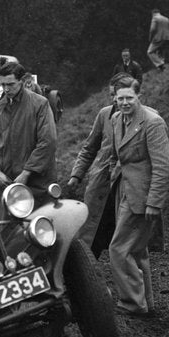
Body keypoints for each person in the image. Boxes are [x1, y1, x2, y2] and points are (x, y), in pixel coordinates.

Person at [103, 76, 169, 317]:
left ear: (139, 96)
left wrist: (154, 202)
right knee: (136, 249)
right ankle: (146, 302)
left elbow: (164, 167)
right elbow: (116, 153)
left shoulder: (152, 123)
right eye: (119, 98)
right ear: (114, 98)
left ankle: (132, 303)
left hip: (142, 195)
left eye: (129, 98)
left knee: (118, 249)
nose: (124, 102)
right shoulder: (115, 119)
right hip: (123, 189)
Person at [0, 62, 57, 217]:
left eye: (11, 84)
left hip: (35, 183)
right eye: (3, 85)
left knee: (38, 230)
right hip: (5, 184)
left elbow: (48, 142)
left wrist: (26, 173)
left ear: (22, 82)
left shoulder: (39, 104)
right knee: (6, 233)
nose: (6, 89)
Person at [66, 73, 128, 250]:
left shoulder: (144, 118)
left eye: (118, 94)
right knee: (89, 234)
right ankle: (86, 273)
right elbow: (89, 148)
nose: (115, 99)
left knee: (125, 241)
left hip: (125, 183)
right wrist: (76, 175)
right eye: (111, 95)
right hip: (100, 180)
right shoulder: (104, 115)